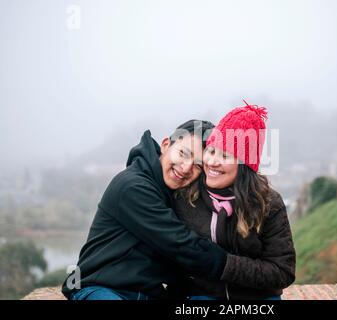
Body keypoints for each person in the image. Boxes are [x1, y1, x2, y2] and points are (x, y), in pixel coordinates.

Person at [62, 120, 230, 300]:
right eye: (183, 153)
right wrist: (236, 267)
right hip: (99, 288)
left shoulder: (177, 197)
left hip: (148, 294)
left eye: (197, 165)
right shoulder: (133, 186)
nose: (186, 167)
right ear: (166, 145)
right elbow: (181, 244)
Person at [173, 102, 296, 300]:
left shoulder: (268, 203)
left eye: (225, 155)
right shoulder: (187, 196)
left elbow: (282, 271)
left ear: (244, 165)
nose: (213, 162)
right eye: (211, 151)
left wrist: (225, 264)